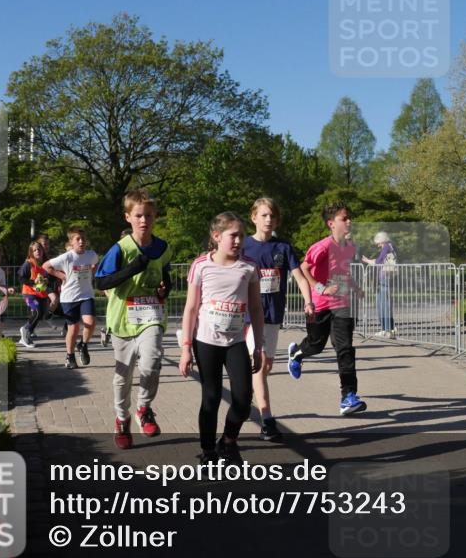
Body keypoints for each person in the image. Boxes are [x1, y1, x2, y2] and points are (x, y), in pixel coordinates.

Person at [179, 212, 263, 462]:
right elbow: (191, 308)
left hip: (236, 342)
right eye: (232, 235)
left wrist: (258, 346)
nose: (238, 240)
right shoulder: (201, 265)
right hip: (206, 341)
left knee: (244, 398)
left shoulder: (249, 266)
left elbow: (256, 308)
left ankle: (228, 440)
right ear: (216, 236)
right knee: (211, 397)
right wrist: (185, 348)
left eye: (241, 235)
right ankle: (207, 451)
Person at [94, 190, 172, 450]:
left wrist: (164, 289)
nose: (144, 220)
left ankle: (144, 409)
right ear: (128, 217)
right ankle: (121, 418)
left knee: (152, 362)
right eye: (138, 215)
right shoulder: (120, 249)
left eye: (148, 215)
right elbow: (101, 282)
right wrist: (132, 269)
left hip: (151, 315)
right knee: (122, 375)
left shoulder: (162, 248)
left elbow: (166, 278)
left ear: (155, 217)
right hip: (123, 320)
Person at [243, 197, 314, 442]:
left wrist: (308, 301)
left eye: (272, 216)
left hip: (273, 315)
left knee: (267, 367)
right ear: (253, 218)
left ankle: (248, 393)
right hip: (249, 317)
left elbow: (300, 278)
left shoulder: (283, 247)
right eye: (263, 215)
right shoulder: (243, 247)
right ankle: (268, 420)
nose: (268, 220)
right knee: (260, 365)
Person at [287, 202, 367, 416]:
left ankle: (348, 396)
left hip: (341, 304)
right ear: (331, 223)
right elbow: (304, 269)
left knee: (345, 349)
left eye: (349, 217)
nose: (349, 221)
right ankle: (296, 354)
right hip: (320, 304)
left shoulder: (348, 248)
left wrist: (356, 288)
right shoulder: (321, 247)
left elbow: (344, 272)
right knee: (316, 345)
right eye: (344, 218)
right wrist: (321, 289)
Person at [44, 227, 99, 370]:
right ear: (71, 242)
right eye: (78, 239)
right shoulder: (67, 257)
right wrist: (61, 275)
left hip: (86, 294)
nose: (81, 242)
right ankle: (70, 356)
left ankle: (83, 345)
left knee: (91, 323)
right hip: (69, 297)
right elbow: (46, 266)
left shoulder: (91, 254)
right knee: (73, 329)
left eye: (83, 239)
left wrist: (92, 272)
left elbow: (96, 263)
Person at [362, 231, 397, 339]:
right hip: (386, 278)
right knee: (383, 304)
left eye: (379, 243)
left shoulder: (386, 247)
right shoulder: (391, 247)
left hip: (384, 279)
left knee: (383, 305)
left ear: (383, 241)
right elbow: (381, 261)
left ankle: (386, 330)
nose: (378, 245)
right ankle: (388, 329)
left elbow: (379, 261)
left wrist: (368, 261)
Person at [18, 241, 52, 349]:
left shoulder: (45, 264)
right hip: (29, 294)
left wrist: (47, 281)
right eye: (35, 250)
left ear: (43, 251)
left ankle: (26, 334)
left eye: (39, 249)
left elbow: (48, 278)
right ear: (31, 252)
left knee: (41, 314)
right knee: (36, 311)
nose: (37, 251)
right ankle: (25, 330)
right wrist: (33, 282)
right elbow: (21, 278)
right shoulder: (28, 263)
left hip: (41, 294)